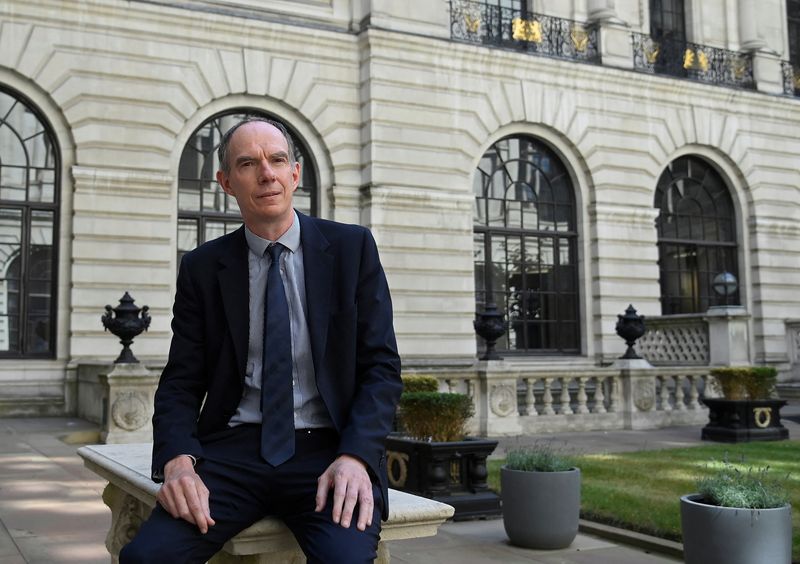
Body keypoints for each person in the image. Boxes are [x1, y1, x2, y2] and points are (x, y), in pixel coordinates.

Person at [120, 118, 402, 563]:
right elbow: (181, 382)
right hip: (232, 453)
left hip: (328, 451)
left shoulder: (352, 249)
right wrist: (176, 460)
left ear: (295, 173)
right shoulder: (202, 268)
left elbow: (381, 369)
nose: (266, 173)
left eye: (277, 160)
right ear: (226, 182)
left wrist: (357, 457)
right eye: (248, 163)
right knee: (147, 558)